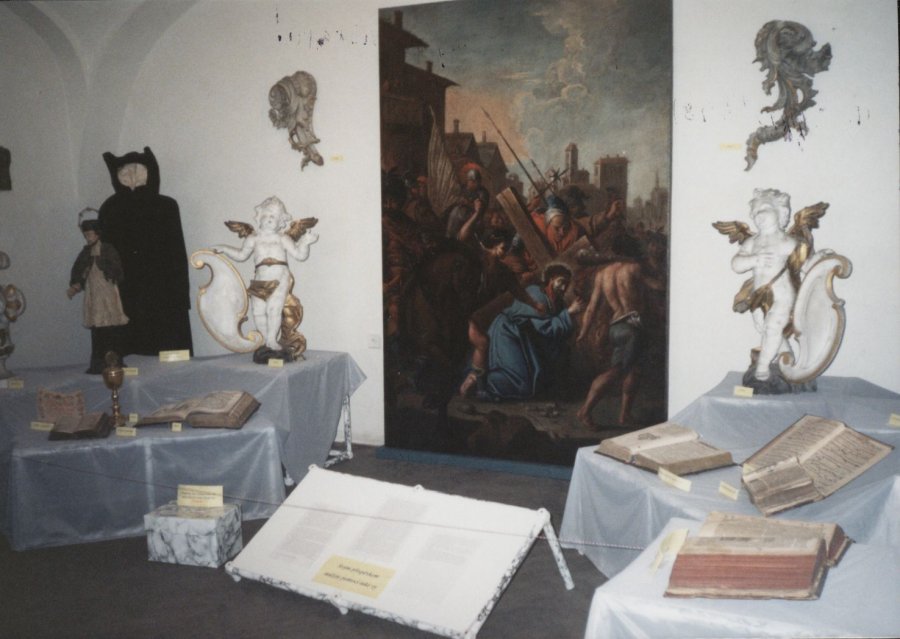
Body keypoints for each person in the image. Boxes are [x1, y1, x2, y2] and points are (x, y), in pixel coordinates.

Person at [98, 147, 193, 356]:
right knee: (129, 351)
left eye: (138, 172)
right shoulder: (110, 209)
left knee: (169, 352)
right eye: (125, 173)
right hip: (125, 289)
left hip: (163, 291)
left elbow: (177, 254)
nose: (132, 177)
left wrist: (180, 296)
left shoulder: (166, 206)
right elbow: (105, 254)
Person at [214, 196, 318, 360]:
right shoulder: (253, 238)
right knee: (258, 311)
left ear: (280, 222)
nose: (270, 219)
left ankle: (272, 340)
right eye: (267, 215)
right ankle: (264, 340)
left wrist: (305, 243)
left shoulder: (282, 238)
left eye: (274, 217)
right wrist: (225, 249)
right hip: (260, 277)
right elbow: (241, 255)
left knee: (273, 309)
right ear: (259, 217)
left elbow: (299, 255)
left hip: (279, 276)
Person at [478, 263, 583, 400]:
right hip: (508, 333)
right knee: (519, 382)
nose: (563, 288)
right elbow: (544, 327)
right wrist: (569, 313)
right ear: (551, 279)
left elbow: (555, 331)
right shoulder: (535, 294)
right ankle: (480, 385)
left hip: (525, 339)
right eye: (561, 282)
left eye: (566, 284)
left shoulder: (558, 303)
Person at [729, 188, 798, 382]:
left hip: (782, 294)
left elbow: (806, 263)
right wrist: (754, 259)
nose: (758, 216)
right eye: (755, 213)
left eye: (764, 209)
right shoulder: (753, 242)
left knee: (772, 327)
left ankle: (762, 366)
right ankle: (787, 355)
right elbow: (736, 264)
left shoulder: (786, 241)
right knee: (762, 326)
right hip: (758, 295)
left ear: (781, 211)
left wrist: (820, 258)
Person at [575, 261, 645, 427]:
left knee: (634, 370)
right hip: (631, 328)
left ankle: (625, 415)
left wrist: (583, 333)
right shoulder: (634, 268)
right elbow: (651, 292)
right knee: (616, 371)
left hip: (615, 327)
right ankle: (585, 411)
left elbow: (591, 308)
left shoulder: (602, 275)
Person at [66, 208, 129, 374]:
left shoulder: (108, 249)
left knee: (111, 325)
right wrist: (75, 286)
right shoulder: (85, 252)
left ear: (97, 234)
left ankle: (115, 361)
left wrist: (107, 269)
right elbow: (78, 270)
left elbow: (117, 269)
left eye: (90, 234)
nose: (88, 238)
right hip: (94, 294)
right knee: (98, 328)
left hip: (107, 292)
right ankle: (99, 363)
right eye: (86, 235)